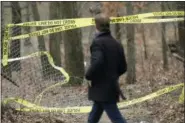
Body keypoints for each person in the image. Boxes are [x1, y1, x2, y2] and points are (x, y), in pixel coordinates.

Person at [85, 13, 127, 123]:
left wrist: (88, 75)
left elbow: (97, 62)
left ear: (97, 27)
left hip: (102, 89)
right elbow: (123, 67)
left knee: (116, 118)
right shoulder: (117, 44)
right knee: (93, 117)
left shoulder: (98, 43)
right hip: (110, 87)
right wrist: (112, 75)